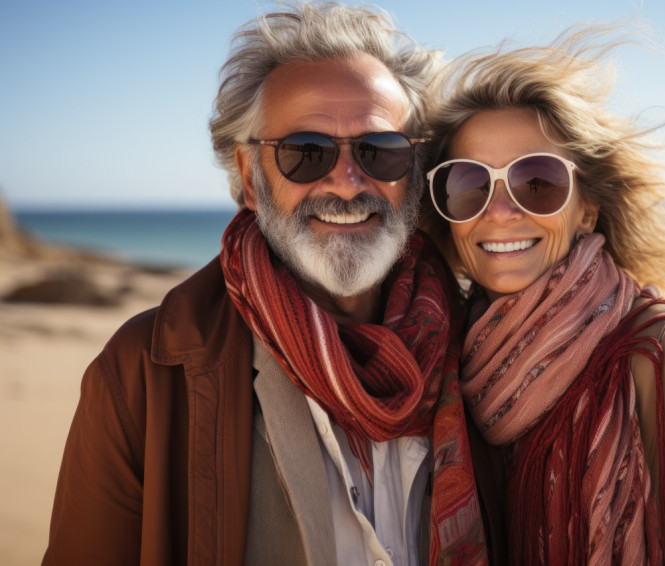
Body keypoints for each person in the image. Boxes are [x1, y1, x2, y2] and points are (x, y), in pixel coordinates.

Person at [42, 3, 495, 565]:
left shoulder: (486, 354)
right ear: (250, 177)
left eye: (381, 153)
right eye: (306, 153)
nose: (349, 184)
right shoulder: (143, 376)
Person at [419, 28, 665, 565]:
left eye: (537, 181)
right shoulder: (445, 378)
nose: (500, 211)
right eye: (469, 184)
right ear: (447, 215)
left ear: (587, 207)